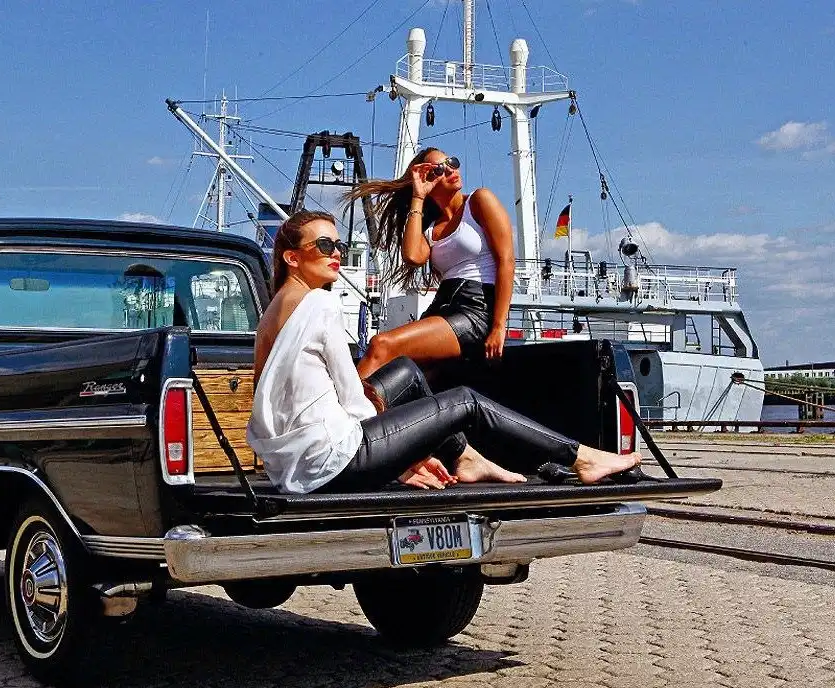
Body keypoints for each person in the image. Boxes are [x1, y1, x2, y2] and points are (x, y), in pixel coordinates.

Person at [247, 210, 642, 494]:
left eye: (339, 244)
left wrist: (402, 443)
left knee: (405, 372)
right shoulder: (320, 304)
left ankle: (466, 457)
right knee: (465, 401)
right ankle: (583, 458)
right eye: (324, 245)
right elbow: (351, 400)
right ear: (292, 257)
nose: (336, 252)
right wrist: (402, 454)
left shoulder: (272, 313)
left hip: (297, 463)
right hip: (332, 461)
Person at [344, 147, 514, 379]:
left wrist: (499, 326)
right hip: (442, 308)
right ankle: (358, 402)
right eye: (439, 170)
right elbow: (413, 256)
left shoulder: (479, 201)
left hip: (475, 310)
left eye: (452, 162)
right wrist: (418, 196)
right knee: (397, 374)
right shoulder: (432, 229)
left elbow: (506, 261)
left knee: (380, 345)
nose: (450, 170)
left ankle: (342, 403)